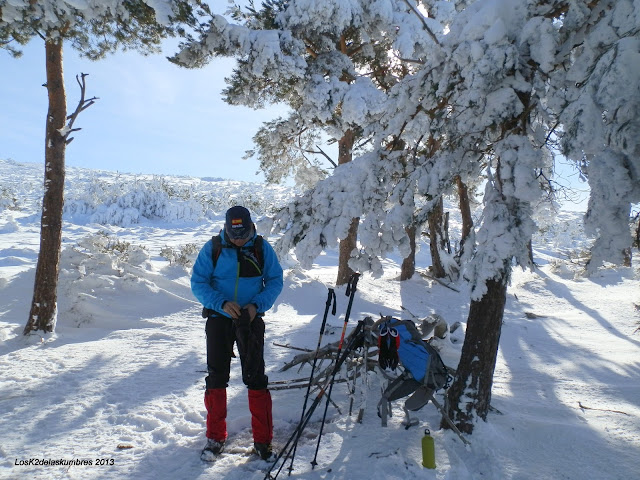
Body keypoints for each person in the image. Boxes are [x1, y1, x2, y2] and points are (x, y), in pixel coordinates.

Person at [191, 205, 284, 462]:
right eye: (234, 236)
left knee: (256, 379)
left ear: (251, 227)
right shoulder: (213, 248)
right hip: (219, 319)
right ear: (226, 229)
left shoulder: (261, 248)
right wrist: (219, 303)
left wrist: (256, 306)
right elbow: (198, 282)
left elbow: (275, 280)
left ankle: (263, 442)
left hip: (250, 320)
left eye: (243, 235)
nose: (239, 239)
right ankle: (215, 438)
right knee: (216, 378)